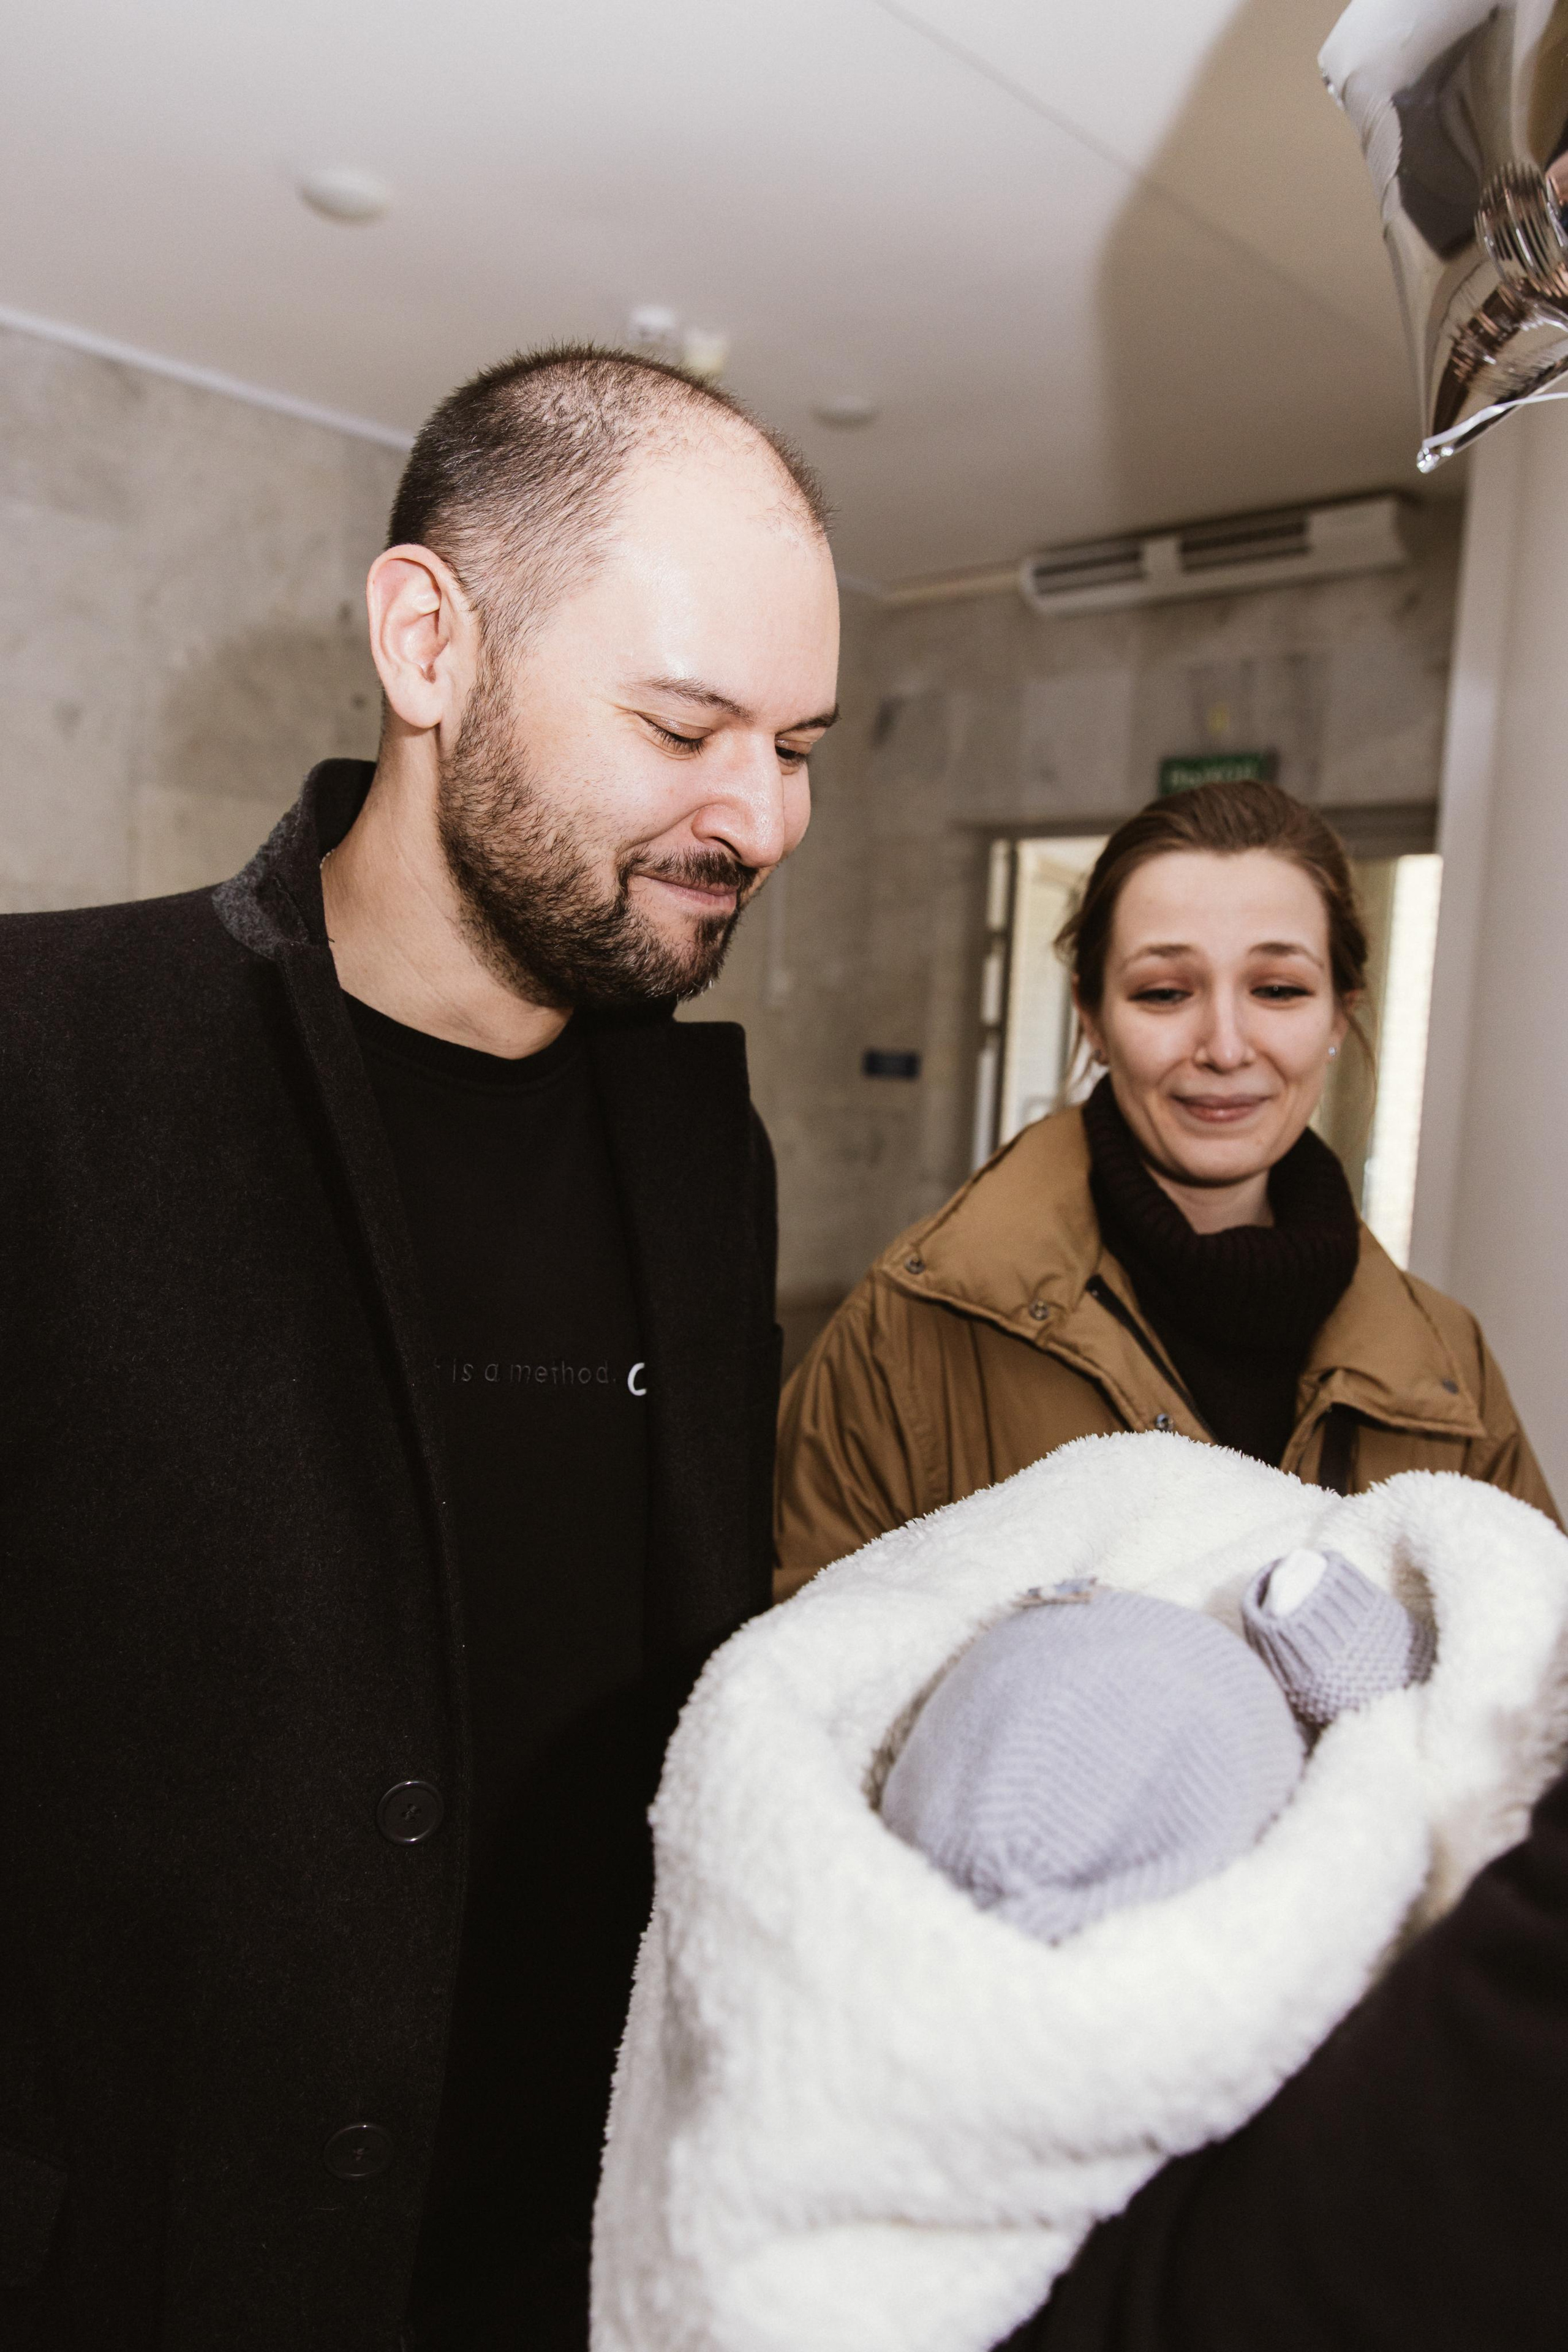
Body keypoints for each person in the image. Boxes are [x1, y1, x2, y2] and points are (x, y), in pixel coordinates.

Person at [0, 345, 839, 2348]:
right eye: (686, 724)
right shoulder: (48, 1066)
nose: (766, 818)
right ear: (428, 640)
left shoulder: (703, 1153)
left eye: (800, 746)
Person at [775, 780, 1556, 1594]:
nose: (1224, 1045)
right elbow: (799, 1675)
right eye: (1164, 992)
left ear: (1336, 1016)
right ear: (1092, 1018)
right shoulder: (915, 1325)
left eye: (1278, 989)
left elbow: (1535, 1675)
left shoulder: (1449, 1367)